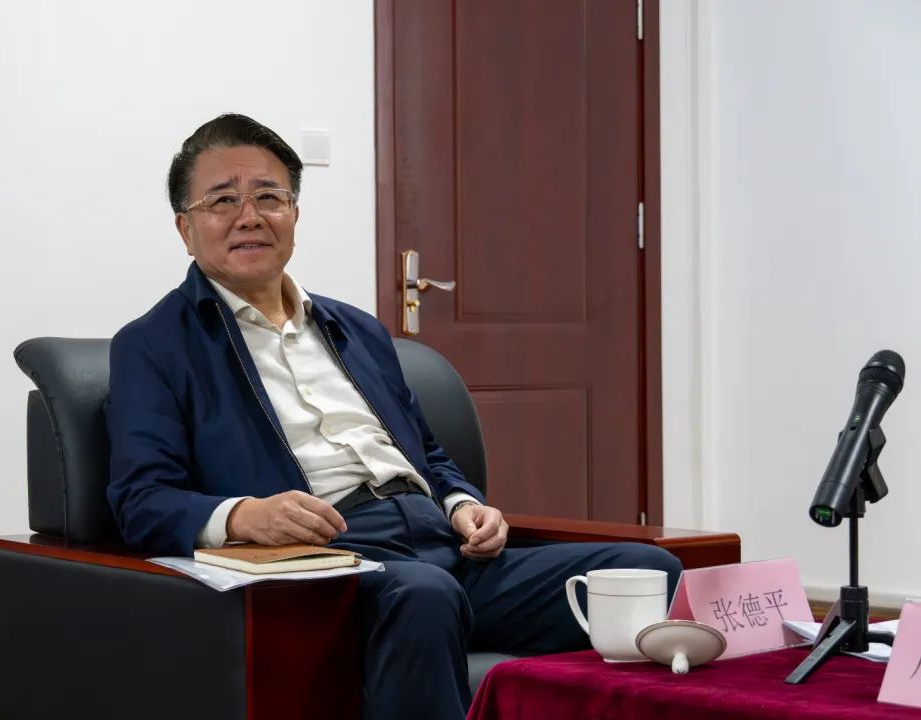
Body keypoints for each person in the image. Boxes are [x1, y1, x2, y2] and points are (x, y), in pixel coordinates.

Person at [105, 113, 682, 719]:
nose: (250, 216)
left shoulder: (357, 330)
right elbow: (142, 499)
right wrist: (248, 515)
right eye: (223, 200)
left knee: (649, 571)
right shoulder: (155, 345)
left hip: (444, 550)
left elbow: (426, 454)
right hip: (331, 564)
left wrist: (462, 504)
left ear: (294, 214)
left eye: (269, 196)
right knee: (425, 595)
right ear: (186, 228)